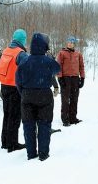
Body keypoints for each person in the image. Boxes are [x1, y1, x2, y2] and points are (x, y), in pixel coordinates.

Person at [15, 32, 60, 161]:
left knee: (28, 125)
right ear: (44, 46)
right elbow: (58, 69)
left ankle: (31, 153)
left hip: (27, 96)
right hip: (44, 95)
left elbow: (17, 80)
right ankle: (43, 154)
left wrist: (23, 93)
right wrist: (49, 58)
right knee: (44, 125)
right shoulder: (48, 61)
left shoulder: (24, 61)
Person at [0, 29, 28, 152]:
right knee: (15, 116)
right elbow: (27, 70)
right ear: (22, 40)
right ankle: (12, 144)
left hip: (4, 86)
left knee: (7, 114)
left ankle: (5, 141)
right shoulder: (20, 53)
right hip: (15, 88)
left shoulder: (6, 50)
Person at [57, 36, 85, 127]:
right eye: (69, 42)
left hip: (75, 79)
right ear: (67, 43)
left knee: (74, 99)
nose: (70, 44)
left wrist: (82, 78)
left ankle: (73, 118)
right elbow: (58, 67)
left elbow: (81, 67)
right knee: (65, 100)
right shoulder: (62, 53)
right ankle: (65, 119)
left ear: (74, 44)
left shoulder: (78, 54)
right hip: (65, 79)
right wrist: (60, 78)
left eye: (72, 42)